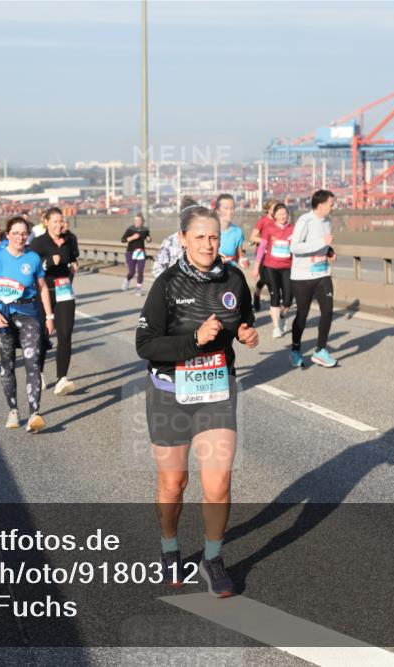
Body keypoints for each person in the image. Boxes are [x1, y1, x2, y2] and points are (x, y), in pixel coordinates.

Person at [136, 196, 259, 597]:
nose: (209, 245)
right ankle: (170, 549)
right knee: (174, 482)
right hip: (170, 392)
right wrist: (193, 340)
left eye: (214, 237)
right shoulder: (167, 284)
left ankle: (213, 558)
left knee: (218, 482)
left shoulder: (234, 278)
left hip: (216, 391)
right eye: (200, 237)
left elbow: (243, 320)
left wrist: (245, 334)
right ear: (183, 239)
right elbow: (146, 344)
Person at [0, 217, 55, 433]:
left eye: (24, 233)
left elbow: (42, 288)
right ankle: (13, 410)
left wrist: (49, 316)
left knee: (32, 362)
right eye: (16, 233)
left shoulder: (33, 259)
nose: (21, 237)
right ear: (8, 235)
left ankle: (34, 414)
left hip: (29, 314)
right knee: (7, 365)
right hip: (3, 315)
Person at [30, 207, 80, 396]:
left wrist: (74, 265)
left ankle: (62, 379)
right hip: (45, 292)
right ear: (46, 222)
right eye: (55, 221)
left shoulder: (69, 240)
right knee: (44, 336)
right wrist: (49, 261)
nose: (59, 225)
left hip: (65, 291)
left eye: (61, 221)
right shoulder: (38, 242)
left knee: (66, 334)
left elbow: (73, 259)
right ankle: (40, 371)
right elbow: (35, 268)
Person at [289, 190, 338, 368]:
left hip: (322, 273)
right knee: (302, 315)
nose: (333, 207)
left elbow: (325, 244)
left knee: (328, 311)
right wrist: (323, 243)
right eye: (331, 204)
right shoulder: (305, 221)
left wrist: (330, 251)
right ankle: (295, 349)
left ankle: (320, 350)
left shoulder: (328, 222)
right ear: (321, 204)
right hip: (302, 276)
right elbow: (294, 248)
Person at [253, 202, 294, 338]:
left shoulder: (293, 229)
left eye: (285, 213)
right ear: (274, 215)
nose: (283, 216)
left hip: (287, 267)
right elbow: (261, 248)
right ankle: (276, 327)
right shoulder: (269, 229)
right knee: (275, 296)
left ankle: (282, 315)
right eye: (280, 214)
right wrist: (256, 267)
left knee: (288, 299)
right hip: (271, 266)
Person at [249, 199, 278, 312]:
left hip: (275, 254)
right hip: (262, 254)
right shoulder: (262, 221)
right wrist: (265, 240)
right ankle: (256, 295)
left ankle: (274, 304)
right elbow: (252, 237)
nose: (276, 210)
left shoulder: (279, 221)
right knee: (265, 279)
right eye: (273, 208)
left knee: (273, 279)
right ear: (268, 209)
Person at [122, 213, 151, 296]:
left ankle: (138, 289)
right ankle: (127, 280)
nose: (136, 222)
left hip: (141, 252)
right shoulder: (130, 229)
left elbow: (148, 238)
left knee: (140, 271)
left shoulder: (145, 230)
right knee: (131, 272)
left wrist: (149, 239)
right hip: (130, 252)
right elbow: (123, 240)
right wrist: (132, 238)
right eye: (135, 220)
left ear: (142, 221)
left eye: (138, 220)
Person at [215, 194, 248, 268]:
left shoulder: (238, 232)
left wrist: (243, 261)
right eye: (226, 208)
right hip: (212, 274)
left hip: (231, 273)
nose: (230, 212)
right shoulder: (209, 230)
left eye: (232, 208)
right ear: (218, 211)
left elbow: (239, 256)